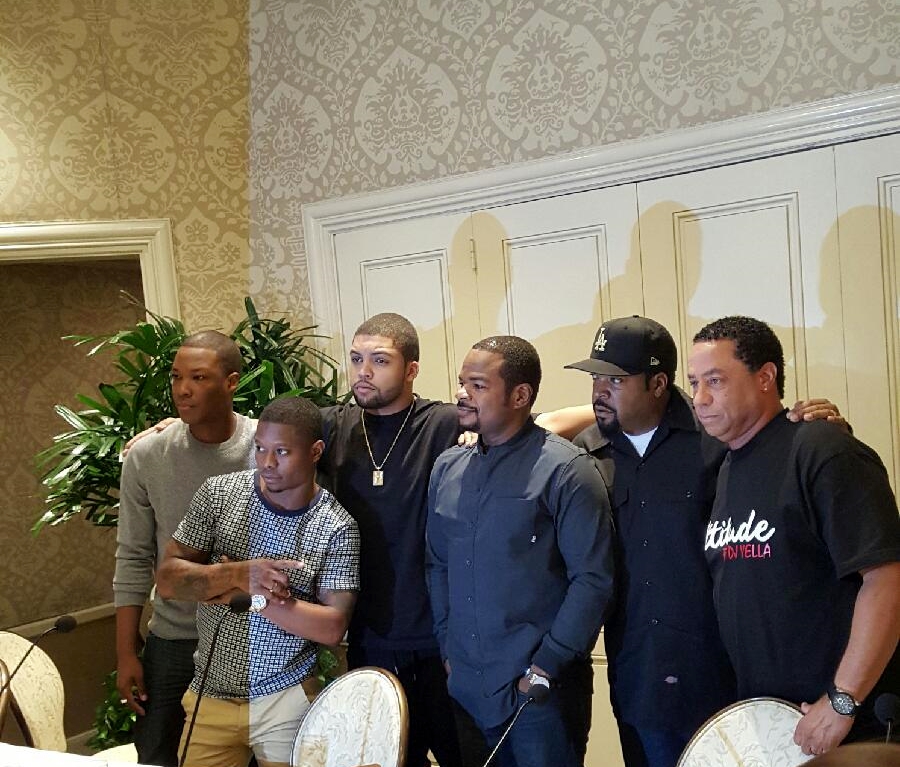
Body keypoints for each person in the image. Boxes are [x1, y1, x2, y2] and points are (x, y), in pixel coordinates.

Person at [564, 315, 849, 767]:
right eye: (595, 378)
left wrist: (816, 425)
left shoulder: (717, 436)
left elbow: (780, 463)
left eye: (615, 379)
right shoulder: (585, 452)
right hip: (637, 674)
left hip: (723, 675)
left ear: (658, 384)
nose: (600, 390)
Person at [688, 315, 900, 757]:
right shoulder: (726, 466)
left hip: (849, 722)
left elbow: (886, 580)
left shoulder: (822, 450)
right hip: (775, 726)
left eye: (715, 381)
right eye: (694, 383)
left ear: (765, 377)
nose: (700, 398)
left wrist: (843, 699)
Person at [426, 335, 615, 767]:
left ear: (520, 395)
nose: (461, 393)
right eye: (461, 382)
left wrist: (547, 665)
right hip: (467, 686)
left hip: (539, 692)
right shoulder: (447, 467)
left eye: (477, 385)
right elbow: (437, 564)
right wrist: (447, 648)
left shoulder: (567, 470)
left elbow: (593, 580)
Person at [156, 396, 360, 767]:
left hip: (288, 698)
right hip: (210, 695)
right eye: (260, 448)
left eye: (282, 452)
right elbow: (168, 580)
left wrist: (249, 596)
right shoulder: (219, 495)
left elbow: (332, 627)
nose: (267, 463)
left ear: (315, 452)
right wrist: (237, 574)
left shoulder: (336, 526)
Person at [113, 330, 256, 766]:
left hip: (252, 635)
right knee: (158, 754)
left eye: (198, 377)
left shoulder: (268, 445)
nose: (182, 389)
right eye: (176, 377)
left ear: (231, 382)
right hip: (174, 637)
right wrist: (125, 653)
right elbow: (133, 555)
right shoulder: (147, 456)